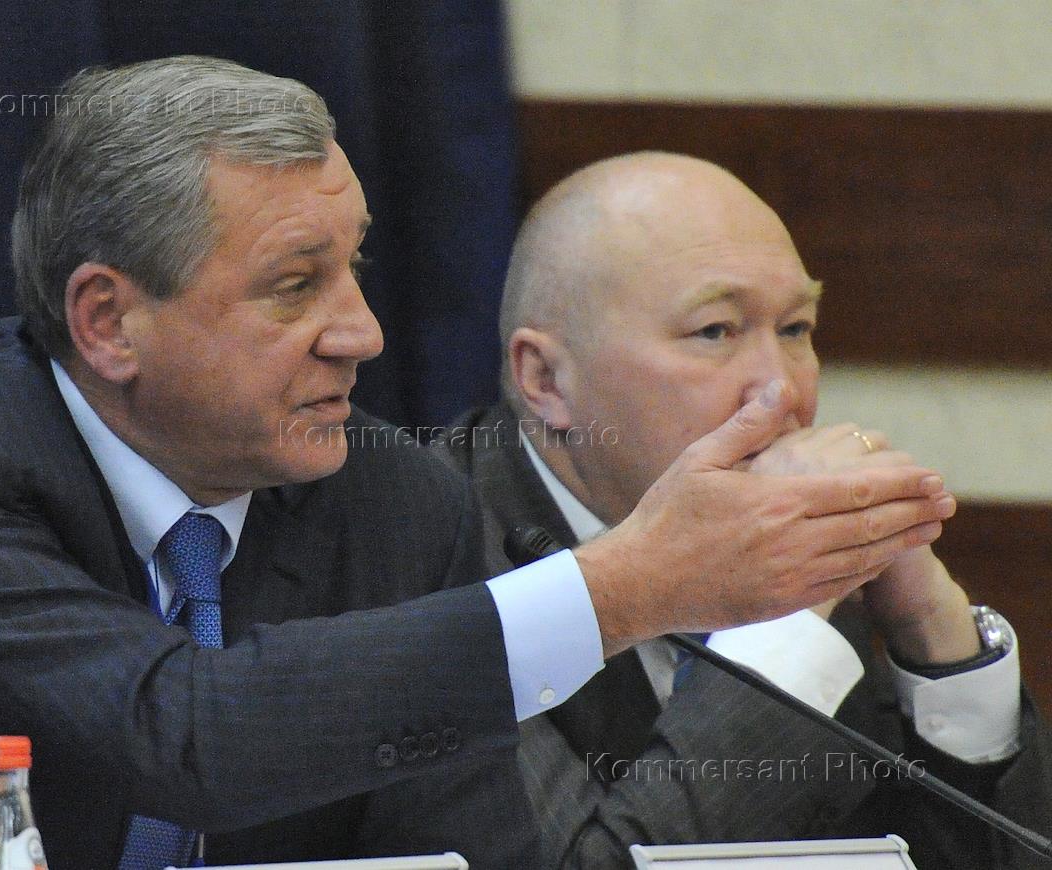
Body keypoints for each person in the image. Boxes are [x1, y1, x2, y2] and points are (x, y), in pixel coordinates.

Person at [0, 58, 953, 869]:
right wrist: (634, 584)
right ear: (108, 321)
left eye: (356, 269)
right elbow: (185, 733)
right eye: (295, 286)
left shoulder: (393, 505)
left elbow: (471, 860)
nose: (363, 333)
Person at [439, 151, 1052, 869]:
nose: (781, 391)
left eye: (795, 329)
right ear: (546, 378)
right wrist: (782, 629)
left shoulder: (803, 534)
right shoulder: (424, 554)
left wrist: (935, 638)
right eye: (715, 331)